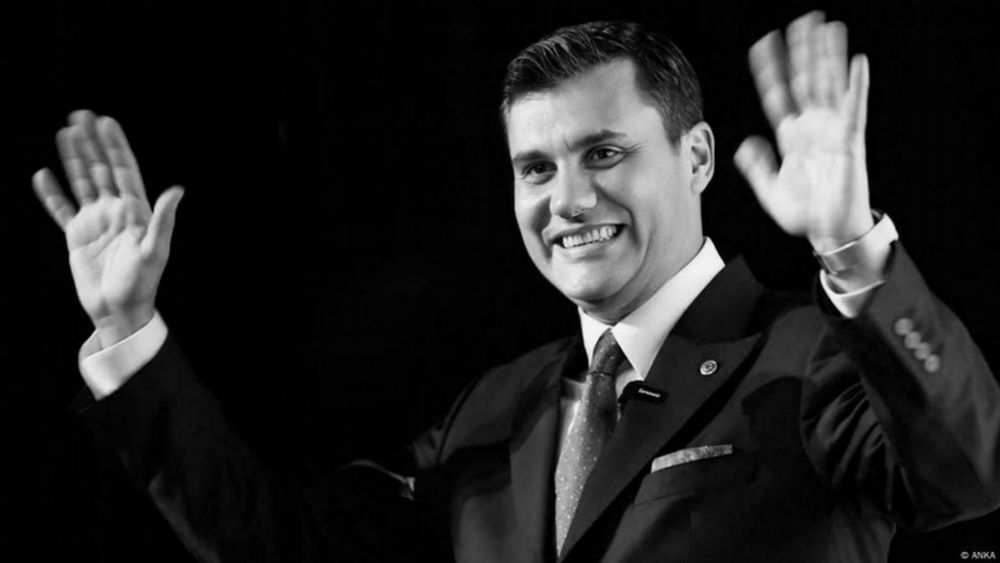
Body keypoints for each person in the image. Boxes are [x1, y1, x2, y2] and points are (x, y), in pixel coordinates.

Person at [31, 12, 1000, 563]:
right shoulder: (495, 409)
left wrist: (850, 245)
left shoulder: (811, 354)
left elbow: (962, 473)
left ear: (696, 156)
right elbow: (280, 546)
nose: (566, 199)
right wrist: (130, 332)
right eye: (535, 167)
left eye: (604, 152)